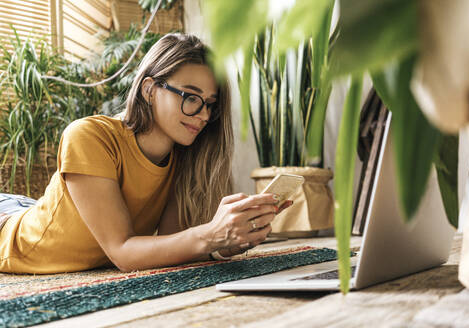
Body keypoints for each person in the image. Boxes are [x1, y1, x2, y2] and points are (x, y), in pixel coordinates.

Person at [0, 33, 292, 274]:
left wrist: (226, 243)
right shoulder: (89, 136)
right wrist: (209, 234)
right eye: (191, 98)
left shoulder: (185, 158)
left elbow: (169, 245)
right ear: (150, 89)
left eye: (209, 104)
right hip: (10, 229)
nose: (203, 115)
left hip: (32, 207)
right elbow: (123, 253)